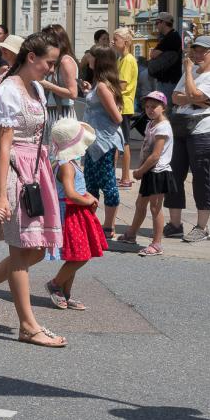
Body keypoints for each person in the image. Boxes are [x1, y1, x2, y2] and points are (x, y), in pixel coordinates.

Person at [0, 32, 66, 348]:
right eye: (49, 62)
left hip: (36, 168)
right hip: (13, 170)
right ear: (31, 57)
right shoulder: (7, 91)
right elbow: (3, 144)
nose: (51, 68)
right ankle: (27, 325)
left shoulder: (36, 88)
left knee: (37, 248)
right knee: (22, 249)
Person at [44, 119, 107, 312]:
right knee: (80, 256)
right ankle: (55, 284)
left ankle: (65, 293)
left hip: (76, 212)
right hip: (71, 214)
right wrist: (87, 200)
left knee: (76, 255)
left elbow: (75, 190)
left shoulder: (68, 163)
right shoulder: (66, 166)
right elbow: (71, 193)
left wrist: (87, 195)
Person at [165, 35, 210, 242]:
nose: (197, 55)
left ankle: (201, 227)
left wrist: (188, 73)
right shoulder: (192, 70)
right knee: (174, 174)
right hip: (181, 127)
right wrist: (195, 99)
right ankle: (175, 224)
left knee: (202, 178)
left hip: (205, 130)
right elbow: (175, 97)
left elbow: (195, 95)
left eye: (202, 51)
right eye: (195, 50)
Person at [120, 91, 176, 256]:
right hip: (150, 170)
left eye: (154, 107)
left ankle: (157, 243)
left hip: (159, 171)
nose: (150, 110)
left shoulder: (163, 127)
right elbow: (147, 150)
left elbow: (156, 155)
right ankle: (131, 234)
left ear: (163, 107)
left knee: (155, 208)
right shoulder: (151, 124)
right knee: (140, 204)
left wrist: (140, 170)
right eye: (147, 107)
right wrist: (143, 168)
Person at [81, 45, 124, 238]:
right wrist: (89, 92)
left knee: (107, 184)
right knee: (91, 183)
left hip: (103, 142)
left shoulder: (103, 86)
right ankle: (92, 224)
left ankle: (108, 226)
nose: (88, 58)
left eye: (91, 56)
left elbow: (117, 117)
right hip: (94, 142)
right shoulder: (99, 84)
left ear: (99, 60)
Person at [112, 28, 138, 189]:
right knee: (118, 141)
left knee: (124, 142)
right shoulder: (121, 59)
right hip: (120, 104)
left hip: (124, 105)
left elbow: (122, 85)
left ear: (126, 42)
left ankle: (126, 177)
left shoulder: (128, 60)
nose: (113, 42)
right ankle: (116, 174)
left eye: (116, 39)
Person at [39, 24, 79, 131]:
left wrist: (48, 85)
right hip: (53, 113)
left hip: (63, 114)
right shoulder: (56, 61)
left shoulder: (65, 61)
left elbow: (73, 93)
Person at [146, 12, 183, 103]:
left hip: (168, 81)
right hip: (167, 80)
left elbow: (153, 54)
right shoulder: (171, 36)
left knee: (164, 107)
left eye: (157, 22)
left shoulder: (171, 37)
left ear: (164, 22)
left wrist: (155, 52)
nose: (156, 25)